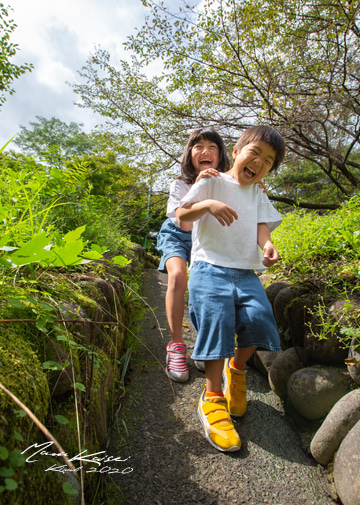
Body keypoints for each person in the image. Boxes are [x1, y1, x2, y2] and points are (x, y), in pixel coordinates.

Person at [177, 125, 285, 452]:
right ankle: (212, 397)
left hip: (246, 271)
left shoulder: (259, 193)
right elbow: (183, 217)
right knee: (216, 321)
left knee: (260, 320)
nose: (259, 163)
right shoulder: (211, 180)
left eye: (268, 161)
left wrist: (268, 247)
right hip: (209, 265)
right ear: (236, 152)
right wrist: (209, 204)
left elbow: (261, 227)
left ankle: (235, 371)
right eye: (255, 153)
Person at [157, 127, 230, 382]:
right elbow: (185, 224)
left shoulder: (226, 184)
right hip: (177, 234)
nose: (205, 151)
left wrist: (256, 187)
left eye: (212, 146)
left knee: (205, 283)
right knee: (178, 276)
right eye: (198, 146)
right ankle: (176, 344)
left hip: (206, 238)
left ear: (220, 155)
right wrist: (198, 188)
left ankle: (204, 344)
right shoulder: (180, 184)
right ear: (190, 154)